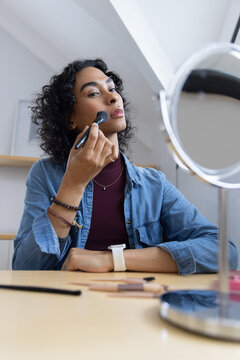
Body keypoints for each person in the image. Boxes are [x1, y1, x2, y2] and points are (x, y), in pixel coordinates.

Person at [12, 58, 238, 273]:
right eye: (94, 93)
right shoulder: (45, 174)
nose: (112, 98)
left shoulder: (153, 185)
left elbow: (225, 252)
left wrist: (112, 259)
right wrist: (73, 184)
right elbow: (24, 267)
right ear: (70, 118)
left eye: (112, 88)